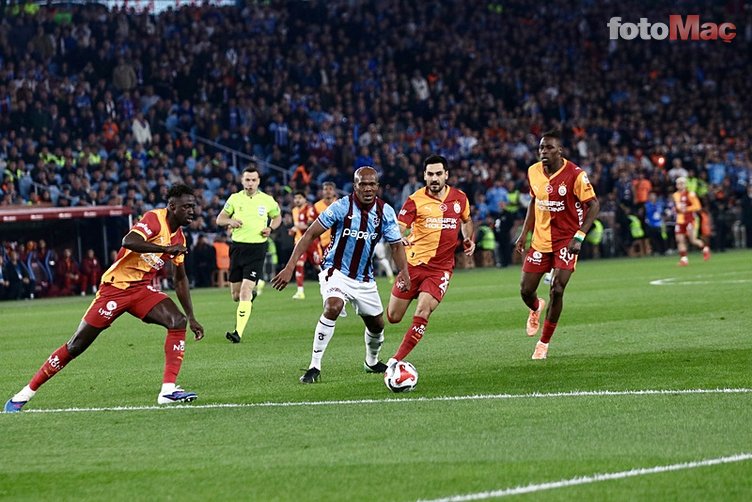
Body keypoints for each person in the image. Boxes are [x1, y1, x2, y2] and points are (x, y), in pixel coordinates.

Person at [4, 185, 205, 412]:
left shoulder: (179, 238)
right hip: (115, 289)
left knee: (177, 321)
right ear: (172, 206)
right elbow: (129, 241)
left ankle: (167, 391)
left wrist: (191, 317)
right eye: (187, 206)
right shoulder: (154, 219)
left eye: (193, 206)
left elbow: (180, 279)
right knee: (76, 345)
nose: (192, 211)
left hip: (141, 290)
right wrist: (165, 249)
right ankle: (24, 394)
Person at [271, 166, 410, 383]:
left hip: (364, 277)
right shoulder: (341, 206)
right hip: (335, 270)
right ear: (355, 186)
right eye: (362, 184)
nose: (367, 188)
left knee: (377, 325)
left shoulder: (385, 211)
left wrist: (404, 272)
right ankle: (314, 366)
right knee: (333, 306)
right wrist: (289, 267)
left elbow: (395, 246)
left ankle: (371, 362)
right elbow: (309, 235)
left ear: (377, 186)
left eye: (371, 184)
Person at [514, 130, 600, 360]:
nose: (544, 151)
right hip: (540, 241)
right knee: (525, 290)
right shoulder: (533, 171)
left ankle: (543, 343)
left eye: (549, 147)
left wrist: (579, 236)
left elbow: (594, 205)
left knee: (558, 288)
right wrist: (524, 234)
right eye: (541, 147)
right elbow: (534, 201)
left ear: (560, 150)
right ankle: (536, 307)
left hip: (566, 241)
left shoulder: (576, 175)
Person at [384, 154, 475, 367]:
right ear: (424, 176)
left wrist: (468, 238)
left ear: (446, 175)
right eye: (430, 174)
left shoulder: (460, 198)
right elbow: (399, 227)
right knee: (393, 317)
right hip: (413, 266)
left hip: (440, 270)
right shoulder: (415, 200)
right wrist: (399, 237)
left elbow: (466, 220)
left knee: (423, 310)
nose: (434, 178)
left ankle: (395, 361)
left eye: (438, 174)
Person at [216, 166, 282, 343]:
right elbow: (219, 219)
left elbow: (277, 217)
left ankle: (238, 332)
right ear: (242, 181)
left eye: (253, 180)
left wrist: (270, 228)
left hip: (257, 249)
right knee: (236, 296)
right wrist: (230, 221)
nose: (250, 183)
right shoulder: (234, 198)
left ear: (258, 181)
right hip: (237, 249)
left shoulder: (267, 200)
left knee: (245, 290)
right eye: (247, 180)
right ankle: (249, 298)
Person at [289, 190, 322, 300]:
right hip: (300, 242)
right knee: (299, 263)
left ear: (304, 199)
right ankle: (300, 291)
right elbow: (299, 226)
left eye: (299, 198)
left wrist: (297, 227)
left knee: (319, 265)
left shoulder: (310, 209)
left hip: (312, 242)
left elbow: (310, 225)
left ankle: (332, 284)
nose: (297, 200)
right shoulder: (294, 210)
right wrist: (294, 230)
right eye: (295, 198)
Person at [672, 176, 710, 266]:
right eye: (678, 184)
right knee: (679, 240)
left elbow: (698, 207)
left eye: (681, 183)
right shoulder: (675, 195)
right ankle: (684, 259)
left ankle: (705, 249)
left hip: (690, 219)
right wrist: (676, 209)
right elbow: (677, 206)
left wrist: (686, 209)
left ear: (685, 185)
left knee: (692, 240)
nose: (680, 185)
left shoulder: (690, 194)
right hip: (680, 220)